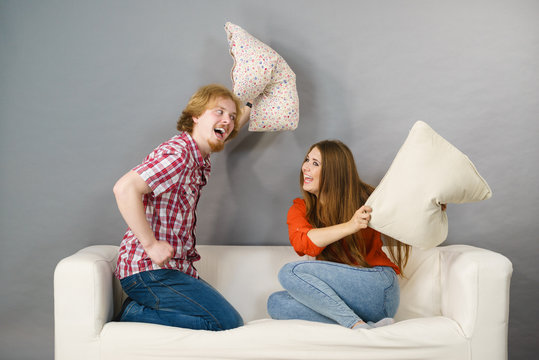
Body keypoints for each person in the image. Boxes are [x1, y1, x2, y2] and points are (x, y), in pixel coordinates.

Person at [113, 84, 251, 331]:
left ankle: (140, 310)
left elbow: (228, 129)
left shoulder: (199, 155)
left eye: (231, 116)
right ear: (196, 116)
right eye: (218, 112)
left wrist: (250, 104)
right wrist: (151, 245)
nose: (227, 121)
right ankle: (133, 314)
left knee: (225, 321)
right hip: (149, 272)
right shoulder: (179, 154)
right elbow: (125, 189)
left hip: (171, 270)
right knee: (227, 322)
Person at [267, 140, 412, 330]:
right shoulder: (300, 209)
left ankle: (354, 324)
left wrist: (432, 207)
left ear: (333, 172)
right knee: (276, 303)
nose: (305, 168)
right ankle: (363, 324)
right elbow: (303, 244)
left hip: (378, 288)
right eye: (307, 160)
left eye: (315, 163)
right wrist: (351, 225)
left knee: (290, 271)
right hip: (350, 301)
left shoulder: (365, 197)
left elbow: (406, 214)